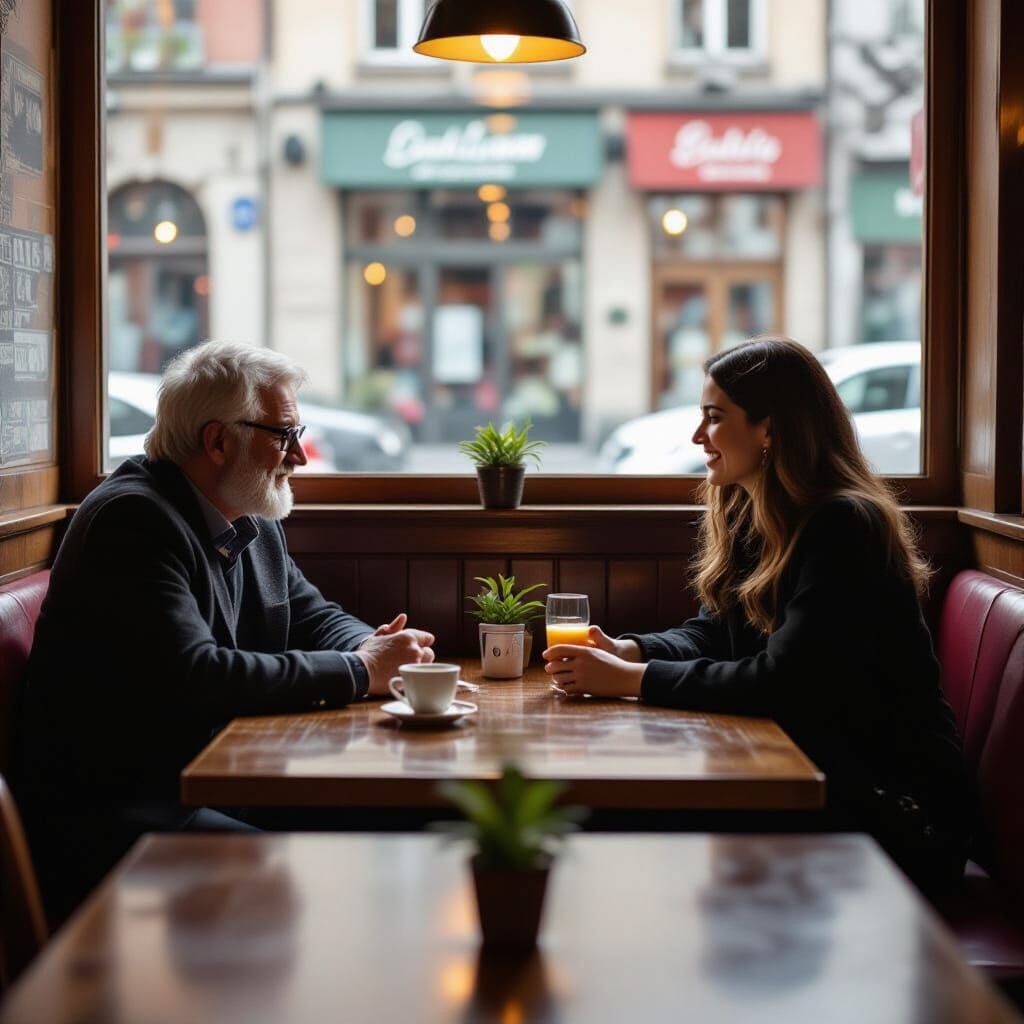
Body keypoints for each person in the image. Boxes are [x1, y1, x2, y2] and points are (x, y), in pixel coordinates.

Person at [15, 341, 435, 921]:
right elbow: (196, 673)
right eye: (283, 436)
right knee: (326, 864)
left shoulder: (247, 513)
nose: (299, 457)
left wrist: (381, 650)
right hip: (123, 808)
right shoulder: (132, 521)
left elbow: (312, 613)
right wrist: (363, 670)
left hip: (209, 776)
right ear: (217, 441)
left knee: (400, 820)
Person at [543, 336, 971, 897]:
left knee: (633, 833)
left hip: (898, 814)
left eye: (715, 419)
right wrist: (632, 650)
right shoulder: (757, 509)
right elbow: (715, 630)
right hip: (822, 779)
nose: (698, 437)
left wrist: (634, 681)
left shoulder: (845, 525)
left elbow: (788, 683)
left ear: (771, 429)